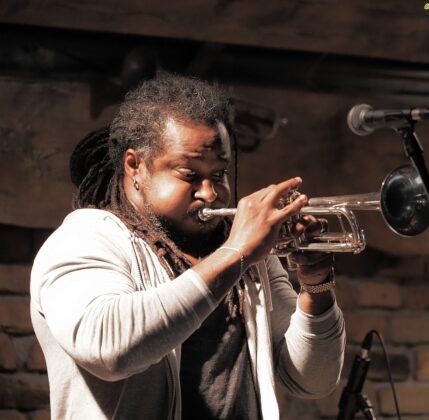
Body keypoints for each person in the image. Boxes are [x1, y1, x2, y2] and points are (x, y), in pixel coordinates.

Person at [30, 74, 346, 420]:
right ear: (135, 166)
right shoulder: (84, 238)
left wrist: (315, 287)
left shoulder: (244, 253)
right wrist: (237, 252)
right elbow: (110, 350)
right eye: (189, 175)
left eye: (219, 174)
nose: (209, 193)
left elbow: (311, 381)